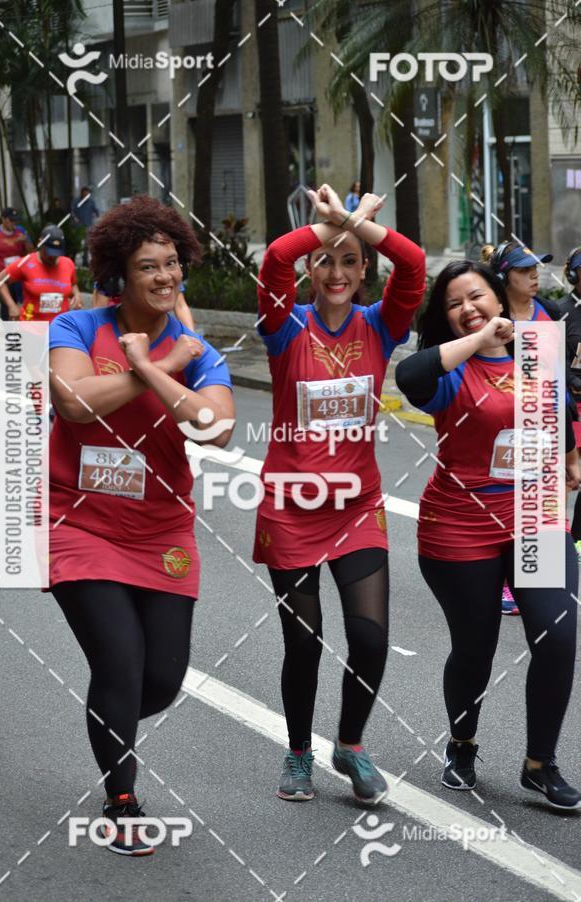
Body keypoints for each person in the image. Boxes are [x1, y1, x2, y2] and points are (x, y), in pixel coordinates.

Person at [48, 195, 235, 855]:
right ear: (118, 276)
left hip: (161, 531)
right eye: (148, 266)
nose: (165, 276)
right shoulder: (75, 326)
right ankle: (120, 800)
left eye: (172, 264)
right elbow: (74, 402)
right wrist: (155, 368)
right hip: (79, 522)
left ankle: (112, 715)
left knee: (161, 679)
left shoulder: (196, 351)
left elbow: (216, 428)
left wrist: (162, 366)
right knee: (121, 664)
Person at [254, 183, 426, 805]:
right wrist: (336, 224)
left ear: (363, 272)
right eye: (325, 259)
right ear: (311, 268)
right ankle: (299, 752)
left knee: (371, 639)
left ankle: (349, 745)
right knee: (303, 642)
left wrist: (355, 223)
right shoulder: (284, 326)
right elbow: (275, 258)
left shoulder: (381, 325)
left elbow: (413, 264)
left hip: (357, 506)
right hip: (291, 506)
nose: (336, 272)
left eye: (350, 261)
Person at [395, 260, 581, 810]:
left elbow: (559, 406)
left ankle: (539, 763)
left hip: (535, 514)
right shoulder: (449, 368)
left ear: (499, 297)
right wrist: (481, 338)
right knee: (475, 646)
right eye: (454, 303)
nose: (468, 308)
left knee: (557, 634)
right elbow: (408, 378)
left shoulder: (538, 349)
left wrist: (570, 455)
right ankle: (462, 743)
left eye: (476, 296)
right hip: (461, 525)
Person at [481, 241, 559, 614]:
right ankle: (504, 582)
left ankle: (540, 580)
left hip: (543, 423)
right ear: (504, 277)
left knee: (541, 502)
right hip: (500, 427)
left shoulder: (550, 312)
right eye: (524, 271)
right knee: (507, 503)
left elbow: (556, 374)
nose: (534, 276)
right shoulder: (491, 320)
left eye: (535, 269)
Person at [0, 224, 82, 321]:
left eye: (56, 253)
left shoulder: (68, 263)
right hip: (32, 326)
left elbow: (73, 284)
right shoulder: (26, 263)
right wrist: (11, 305)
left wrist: (77, 295)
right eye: (49, 252)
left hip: (59, 326)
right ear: (40, 243)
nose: (53, 257)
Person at [559, 245, 581, 559]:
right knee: (566, 478)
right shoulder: (560, 311)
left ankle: (576, 539)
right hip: (572, 406)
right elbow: (553, 359)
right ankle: (557, 541)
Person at [0, 207, 33, 318]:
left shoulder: (21, 232)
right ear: (3, 219)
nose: (14, 223)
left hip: (17, 275)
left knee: (19, 303)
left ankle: (14, 323)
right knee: (6, 304)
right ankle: (7, 324)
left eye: (15, 220)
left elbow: (31, 253)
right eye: (11, 220)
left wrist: (26, 241)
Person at [92, 278, 195, 330]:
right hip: (116, 328)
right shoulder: (110, 274)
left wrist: (193, 338)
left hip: (153, 331)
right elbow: (100, 309)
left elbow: (180, 306)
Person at [72, 186, 100, 266]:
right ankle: (73, 259)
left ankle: (85, 261)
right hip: (79, 226)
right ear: (82, 193)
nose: (86, 195)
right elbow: (73, 211)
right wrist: (75, 218)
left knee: (87, 245)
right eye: (84, 193)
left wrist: (97, 215)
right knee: (78, 244)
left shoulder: (91, 201)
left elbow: (95, 210)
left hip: (88, 225)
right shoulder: (77, 201)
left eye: (87, 193)